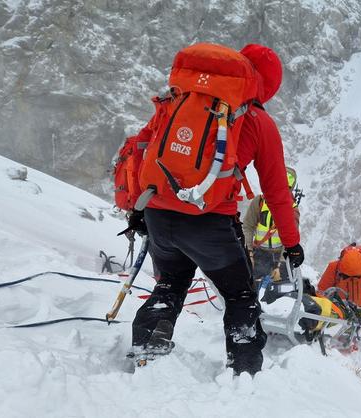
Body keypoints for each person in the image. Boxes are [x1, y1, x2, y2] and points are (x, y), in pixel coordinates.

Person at [121, 43, 303, 376]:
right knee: (239, 295)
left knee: (172, 281)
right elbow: (276, 193)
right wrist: (291, 243)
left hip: (158, 213)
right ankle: (245, 373)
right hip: (208, 221)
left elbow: (144, 148)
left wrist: (138, 206)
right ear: (270, 85)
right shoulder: (257, 121)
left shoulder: (181, 98)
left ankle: (148, 344)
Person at [242, 166, 299, 285]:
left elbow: (291, 240)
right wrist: (249, 253)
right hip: (259, 252)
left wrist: (281, 264)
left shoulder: (292, 210)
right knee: (251, 283)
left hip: (280, 254)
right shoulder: (259, 202)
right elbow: (248, 226)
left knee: (281, 288)